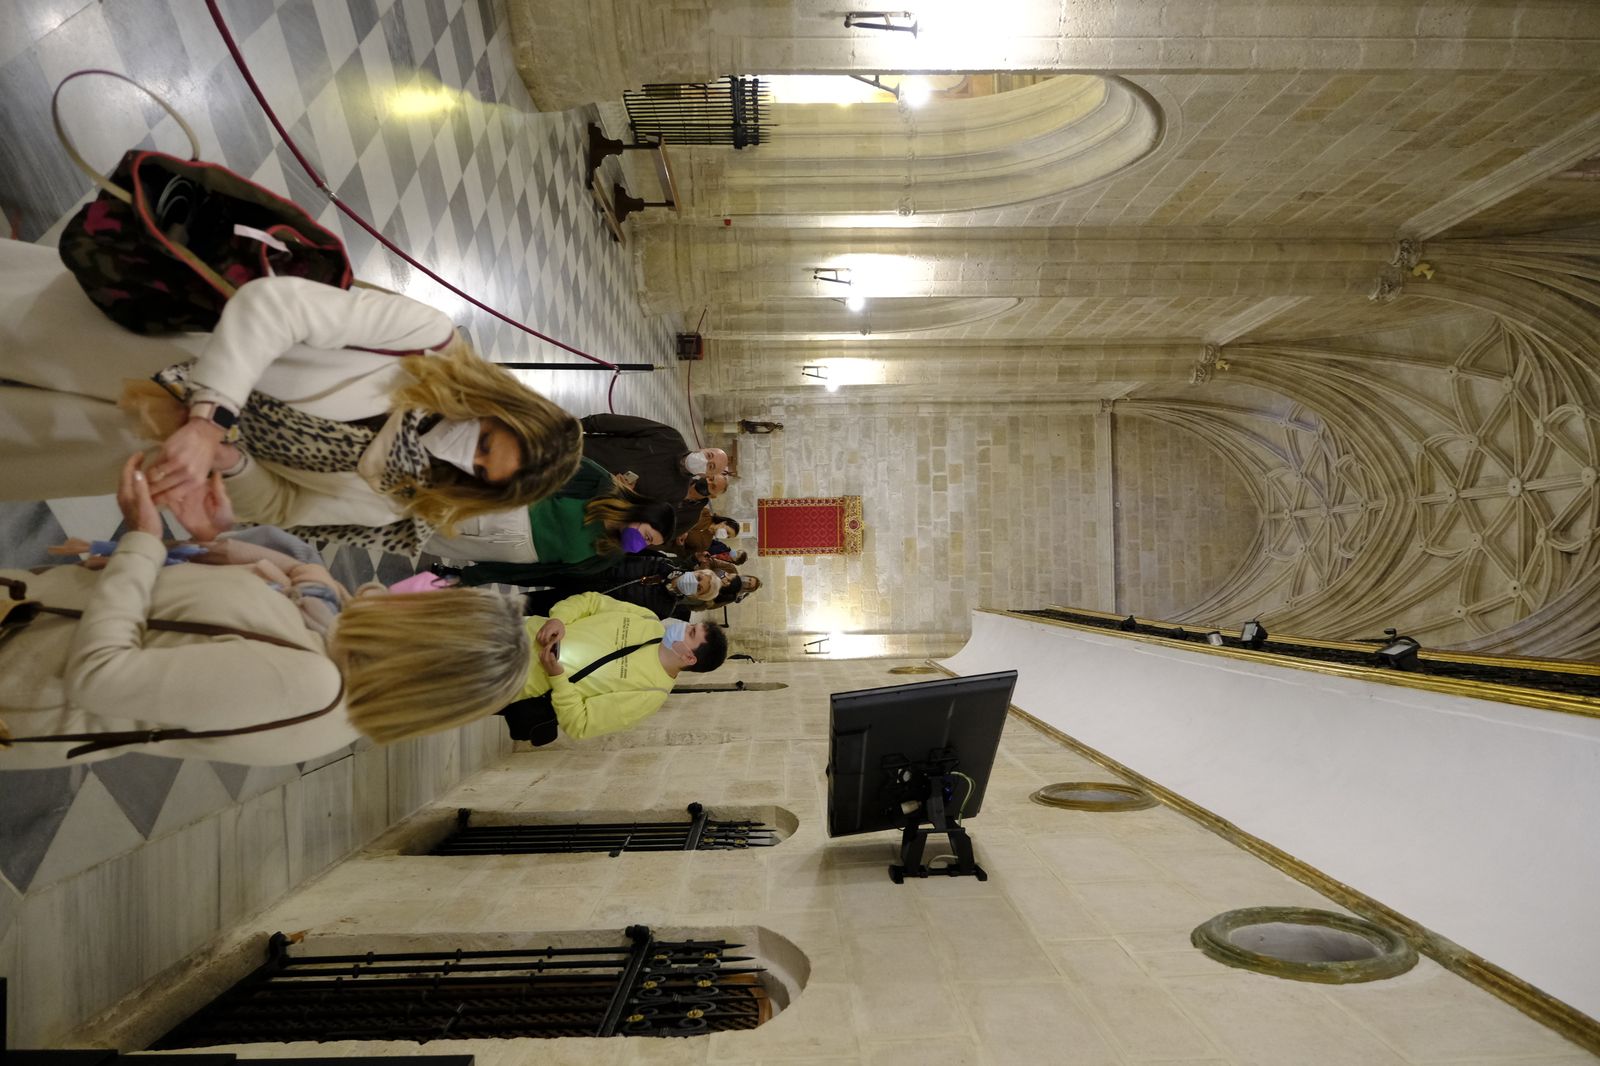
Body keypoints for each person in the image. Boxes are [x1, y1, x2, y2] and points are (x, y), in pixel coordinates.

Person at [0, 238, 583, 553]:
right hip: (115, 339)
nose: (463, 455)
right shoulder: (424, 343)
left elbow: (281, 509)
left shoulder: (401, 500)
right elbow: (272, 305)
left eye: (480, 470)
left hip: (109, 444)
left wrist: (230, 461)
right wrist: (210, 418)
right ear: (499, 407)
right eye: (483, 440)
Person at [0, 455, 531, 767]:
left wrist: (142, 542)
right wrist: (222, 547)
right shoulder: (333, 640)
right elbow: (274, 597)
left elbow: (102, 678)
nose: (433, 595)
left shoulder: (313, 686)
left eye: (444, 608)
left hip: (19, 667)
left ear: (429, 641)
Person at [519, 592, 729, 740]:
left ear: (689, 658)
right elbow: (592, 602)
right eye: (691, 626)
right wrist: (559, 619)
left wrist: (557, 677)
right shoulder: (648, 619)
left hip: (516, 676)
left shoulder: (650, 694)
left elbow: (580, 723)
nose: (683, 627)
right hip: (520, 628)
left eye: (690, 633)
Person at [437, 457, 676, 581]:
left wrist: (476, 577)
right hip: (510, 512)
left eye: (647, 544)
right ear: (643, 513)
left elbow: (549, 572)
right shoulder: (603, 486)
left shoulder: (610, 553)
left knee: (438, 542)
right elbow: (554, 462)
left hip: (515, 552)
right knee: (435, 513)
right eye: (646, 535)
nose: (640, 544)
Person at [578, 413, 727, 509]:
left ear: (705, 475)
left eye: (710, 466)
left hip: (582, 484)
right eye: (708, 455)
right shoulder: (670, 437)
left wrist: (626, 493)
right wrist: (576, 426)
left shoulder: (676, 494)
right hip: (579, 449)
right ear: (703, 449)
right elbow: (616, 423)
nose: (705, 461)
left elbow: (637, 510)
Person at [520, 555, 721, 620]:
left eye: (700, 588)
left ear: (696, 596)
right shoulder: (661, 564)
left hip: (587, 603)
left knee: (528, 605)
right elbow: (625, 559)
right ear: (696, 572)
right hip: (586, 575)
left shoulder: (664, 607)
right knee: (528, 575)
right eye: (699, 577)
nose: (696, 582)